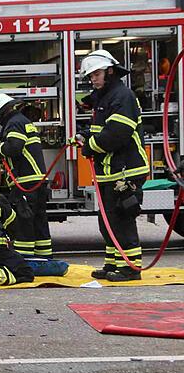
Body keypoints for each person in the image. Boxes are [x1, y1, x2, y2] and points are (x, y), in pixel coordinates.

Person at [75, 49, 150, 281]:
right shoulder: (104, 98)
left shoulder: (122, 96)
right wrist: (85, 135)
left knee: (121, 220)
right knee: (107, 222)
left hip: (126, 171)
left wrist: (89, 146)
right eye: (90, 76)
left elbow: (117, 133)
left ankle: (130, 268)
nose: (93, 79)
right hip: (110, 172)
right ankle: (113, 264)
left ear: (110, 71)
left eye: (96, 74)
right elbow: (102, 129)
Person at [0, 92, 53, 258]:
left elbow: (14, 148)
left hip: (25, 182)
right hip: (36, 181)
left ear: (0, 112)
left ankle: (25, 259)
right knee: (39, 222)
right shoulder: (22, 121)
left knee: (24, 222)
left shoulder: (14, 123)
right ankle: (44, 258)